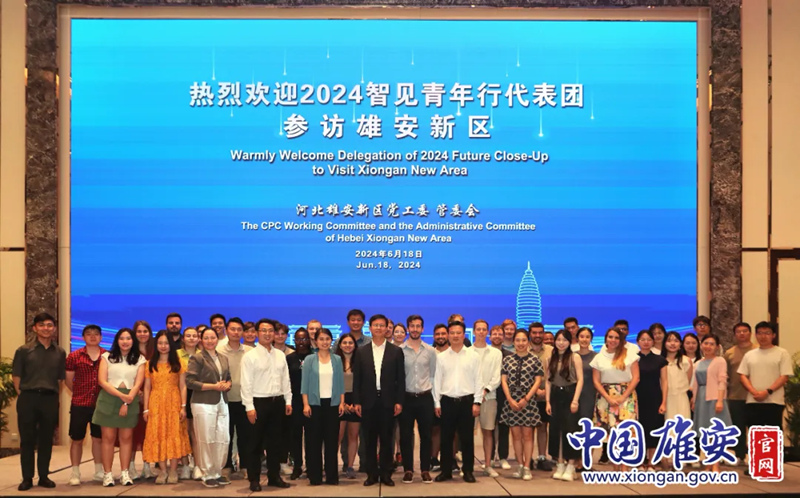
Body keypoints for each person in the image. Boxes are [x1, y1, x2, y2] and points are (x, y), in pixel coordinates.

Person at [12, 312, 66, 491]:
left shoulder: (60, 352)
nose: (46, 328)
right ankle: (27, 478)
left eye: (49, 325)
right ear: (35, 328)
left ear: (54, 328)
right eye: (41, 325)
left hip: (50, 399)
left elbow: (60, 379)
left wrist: (54, 396)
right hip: (28, 397)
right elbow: (16, 376)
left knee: (46, 439)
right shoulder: (23, 350)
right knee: (27, 439)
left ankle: (44, 476)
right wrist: (23, 395)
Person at [353, 314, 405, 486]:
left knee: (387, 440)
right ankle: (371, 474)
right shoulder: (361, 351)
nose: (379, 328)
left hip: (388, 401)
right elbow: (357, 379)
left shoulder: (395, 351)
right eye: (375, 325)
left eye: (382, 325)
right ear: (370, 328)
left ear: (387, 328)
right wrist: (357, 401)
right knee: (369, 440)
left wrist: (399, 401)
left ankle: (386, 473)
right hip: (368, 402)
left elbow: (400, 379)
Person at [241, 318, 292, 491]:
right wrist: (249, 407)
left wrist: (288, 400)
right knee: (254, 444)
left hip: (277, 402)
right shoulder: (250, 356)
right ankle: (254, 479)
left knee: (275, 443)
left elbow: (285, 379)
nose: (268, 334)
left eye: (271, 330)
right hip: (258, 403)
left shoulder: (280, 355)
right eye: (263, 330)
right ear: (257, 333)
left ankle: (274, 476)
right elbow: (246, 383)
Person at [94, 328, 146, 487]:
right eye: (122, 338)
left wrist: (127, 400)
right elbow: (102, 381)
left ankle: (125, 473)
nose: (125, 342)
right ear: (117, 340)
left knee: (126, 439)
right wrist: (122, 397)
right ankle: (107, 474)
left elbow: (138, 383)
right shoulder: (106, 357)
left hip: (130, 399)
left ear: (133, 341)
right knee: (108, 438)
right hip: (109, 398)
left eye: (128, 338)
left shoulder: (140, 359)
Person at [433, 321, 482, 483]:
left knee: (467, 439)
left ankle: (468, 471)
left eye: (458, 333)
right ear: (448, 335)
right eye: (452, 333)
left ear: (463, 334)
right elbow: (437, 381)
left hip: (467, 402)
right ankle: (446, 471)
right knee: (446, 439)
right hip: (447, 402)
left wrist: (477, 402)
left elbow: (479, 380)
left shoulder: (473, 356)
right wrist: (437, 403)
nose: (455, 336)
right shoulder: (441, 357)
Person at [143, 330, 191, 484]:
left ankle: (173, 471)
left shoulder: (179, 363)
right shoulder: (149, 364)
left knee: (173, 434)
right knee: (158, 435)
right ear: (156, 345)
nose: (163, 346)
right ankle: (163, 471)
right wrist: (146, 409)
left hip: (174, 402)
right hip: (156, 404)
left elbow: (183, 386)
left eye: (166, 343)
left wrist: (183, 407)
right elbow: (147, 388)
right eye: (160, 343)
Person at [187, 327, 232, 488]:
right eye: (206, 338)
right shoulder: (197, 358)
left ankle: (217, 472)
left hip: (222, 401)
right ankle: (207, 473)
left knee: (223, 438)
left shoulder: (223, 358)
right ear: (201, 340)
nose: (210, 341)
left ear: (217, 339)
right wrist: (213, 386)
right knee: (206, 439)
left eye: (212, 338)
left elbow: (228, 378)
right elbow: (190, 382)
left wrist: (227, 384)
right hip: (203, 403)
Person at [590, 327, 640, 471]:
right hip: (605, 398)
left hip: (626, 397)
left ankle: (624, 467)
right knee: (611, 432)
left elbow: (636, 378)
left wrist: (623, 396)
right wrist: (607, 397)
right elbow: (596, 381)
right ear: (606, 338)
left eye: (616, 338)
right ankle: (615, 467)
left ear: (621, 340)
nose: (613, 340)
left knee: (625, 432)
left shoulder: (630, 355)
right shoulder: (599, 357)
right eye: (610, 337)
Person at [301, 328, 345, 485]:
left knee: (331, 442)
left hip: (332, 404)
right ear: (315, 341)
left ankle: (332, 476)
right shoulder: (309, 360)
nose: (324, 342)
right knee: (314, 442)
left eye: (327, 339)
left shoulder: (337, 359)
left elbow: (340, 383)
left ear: (331, 341)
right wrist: (305, 404)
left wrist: (341, 402)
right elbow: (304, 384)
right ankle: (315, 477)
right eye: (321, 339)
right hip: (314, 405)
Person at [500, 330, 544, 481]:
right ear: (514, 342)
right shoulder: (507, 360)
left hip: (528, 400)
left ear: (528, 342)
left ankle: (527, 467)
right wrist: (509, 399)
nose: (520, 343)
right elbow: (504, 380)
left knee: (528, 435)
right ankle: (519, 465)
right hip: (511, 400)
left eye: (524, 340)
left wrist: (526, 398)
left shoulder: (535, 360)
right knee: (516, 436)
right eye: (517, 340)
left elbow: (538, 381)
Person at [399, 315, 437, 484]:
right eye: (412, 326)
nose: (415, 329)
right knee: (406, 436)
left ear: (422, 329)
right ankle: (408, 470)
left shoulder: (430, 351)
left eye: (418, 326)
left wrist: (436, 401)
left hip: (425, 398)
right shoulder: (399, 350)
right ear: (408, 328)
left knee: (426, 436)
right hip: (406, 398)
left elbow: (434, 376)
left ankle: (425, 470)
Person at [65, 324, 106, 486]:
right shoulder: (74, 356)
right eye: (89, 334)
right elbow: (69, 380)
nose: (93, 336)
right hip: (80, 403)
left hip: (101, 404)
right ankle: (75, 472)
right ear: (83, 337)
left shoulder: (107, 356)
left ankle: (99, 471)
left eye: (96, 334)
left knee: (98, 439)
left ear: (101, 337)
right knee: (77, 439)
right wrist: (79, 392)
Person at [739, 321, 793, 433]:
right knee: (755, 435)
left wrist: (767, 392)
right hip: (753, 401)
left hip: (774, 401)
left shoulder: (782, 353)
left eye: (767, 333)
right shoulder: (749, 355)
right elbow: (743, 375)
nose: (763, 336)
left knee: (772, 435)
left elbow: (784, 376)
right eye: (760, 333)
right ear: (755, 335)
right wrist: (753, 392)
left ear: (773, 335)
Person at [217, 318, 254, 481]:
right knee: (226, 435)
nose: (236, 332)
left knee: (246, 435)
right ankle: (226, 466)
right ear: (226, 330)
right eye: (233, 329)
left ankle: (245, 465)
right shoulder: (218, 350)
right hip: (224, 399)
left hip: (245, 399)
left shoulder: (250, 351)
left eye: (239, 329)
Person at [545, 330, 583, 481]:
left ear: (570, 342)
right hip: (555, 395)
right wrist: (547, 401)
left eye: (564, 340)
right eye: (559, 340)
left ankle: (571, 465)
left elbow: (580, 380)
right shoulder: (550, 358)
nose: (561, 343)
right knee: (556, 431)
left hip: (570, 394)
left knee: (571, 431)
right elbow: (548, 381)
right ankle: (560, 464)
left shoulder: (575, 357)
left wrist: (575, 400)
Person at [691, 334, 731, 473]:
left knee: (716, 432)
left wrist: (720, 400)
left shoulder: (720, 361)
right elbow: (695, 383)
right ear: (701, 345)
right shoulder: (698, 363)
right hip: (701, 399)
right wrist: (694, 400)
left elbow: (722, 381)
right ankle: (708, 462)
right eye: (705, 343)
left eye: (712, 344)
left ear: (717, 347)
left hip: (715, 398)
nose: (708, 346)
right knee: (705, 433)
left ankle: (716, 464)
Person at [469, 320, 502, 478]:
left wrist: (485, 391)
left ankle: (488, 465)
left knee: (488, 432)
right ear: (474, 331)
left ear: (487, 332)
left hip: (489, 397)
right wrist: (475, 394)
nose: (481, 332)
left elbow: (497, 376)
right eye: (478, 329)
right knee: (467, 433)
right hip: (469, 399)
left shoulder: (495, 353)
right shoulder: (467, 352)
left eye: (484, 329)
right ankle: (468, 466)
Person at [636, 329, 668, 471]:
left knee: (654, 430)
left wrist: (664, 402)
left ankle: (651, 463)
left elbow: (665, 382)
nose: (646, 342)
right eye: (643, 340)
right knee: (639, 430)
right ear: (638, 342)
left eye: (649, 340)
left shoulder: (660, 360)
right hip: (637, 398)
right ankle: (640, 461)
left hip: (655, 398)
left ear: (653, 342)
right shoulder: (633, 359)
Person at [724, 322, 754, 465]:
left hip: (755, 396)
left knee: (754, 427)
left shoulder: (757, 350)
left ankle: (755, 457)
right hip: (735, 395)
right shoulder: (729, 353)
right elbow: (726, 375)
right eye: (738, 331)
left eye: (745, 331)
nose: (742, 334)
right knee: (738, 428)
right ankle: (740, 455)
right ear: (735, 335)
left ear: (750, 333)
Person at [286, 329, 313, 480]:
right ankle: (297, 466)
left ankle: (311, 465)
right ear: (294, 340)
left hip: (312, 401)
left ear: (309, 340)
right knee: (295, 436)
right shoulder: (289, 358)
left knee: (311, 436)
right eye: (298, 339)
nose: (301, 342)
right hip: (295, 401)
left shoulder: (315, 357)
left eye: (304, 339)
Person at [528, 322, 554, 471]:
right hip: (528, 395)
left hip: (547, 396)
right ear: (530, 334)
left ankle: (542, 457)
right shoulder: (523, 349)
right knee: (528, 429)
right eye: (534, 332)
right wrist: (536, 390)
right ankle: (528, 458)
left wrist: (545, 391)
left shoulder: (551, 350)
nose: (537, 335)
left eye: (540, 332)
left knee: (543, 427)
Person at [130, 320, 154, 480]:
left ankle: (147, 466)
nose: (142, 334)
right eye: (139, 331)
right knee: (132, 434)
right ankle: (131, 466)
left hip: (152, 399)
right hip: (132, 398)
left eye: (145, 331)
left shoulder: (155, 351)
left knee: (148, 434)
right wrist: (136, 391)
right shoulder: (130, 351)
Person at [178, 326, 202, 479]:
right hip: (180, 395)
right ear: (183, 338)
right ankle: (185, 465)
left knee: (195, 432)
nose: (191, 338)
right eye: (188, 336)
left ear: (198, 339)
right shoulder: (176, 355)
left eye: (194, 336)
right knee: (182, 432)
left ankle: (198, 465)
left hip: (197, 395)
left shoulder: (203, 355)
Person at [336, 333, 360, 479]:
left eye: (350, 343)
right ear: (340, 345)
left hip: (355, 401)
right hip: (339, 400)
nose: (347, 345)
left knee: (353, 436)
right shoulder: (335, 361)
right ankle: (332, 465)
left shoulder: (360, 361)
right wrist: (342, 403)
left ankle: (350, 466)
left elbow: (362, 383)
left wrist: (355, 403)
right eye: (344, 343)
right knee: (337, 436)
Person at [489, 325, 513, 470]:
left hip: (505, 393)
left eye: (500, 334)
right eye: (494, 334)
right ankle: (490, 457)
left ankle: (503, 457)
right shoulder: (486, 353)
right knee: (489, 427)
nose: (497, 336)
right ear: (490, 336)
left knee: (504, 425)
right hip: (489, 393)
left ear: (503, 337)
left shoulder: (509, 355)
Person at [575, 327, 596, 471]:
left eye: (587, 337)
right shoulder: (572, 356)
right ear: (577, 338)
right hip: (574, 396)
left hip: (590, 395)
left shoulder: (596, 357)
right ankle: (576, 460)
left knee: (589, 429)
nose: (584, 339)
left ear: (591, 339)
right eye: (581, 336)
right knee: (575, 428)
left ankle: (586, 461)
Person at [430, 323, 449, 470]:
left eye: (443, 334)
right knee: (435, 429)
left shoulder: (455, 352)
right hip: (433, 396)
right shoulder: (430, 353)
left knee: (452, 431)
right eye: (437, 334)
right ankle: (434, 459)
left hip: (451, 395)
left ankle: (450, 459)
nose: (440, 337)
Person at [661, 331, 693, 422]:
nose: (672, 344)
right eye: (669, 341)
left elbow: (688, 380)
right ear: (664, 343)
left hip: (682, 398)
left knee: (683, 424)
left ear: (680, 344)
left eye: (676, 341)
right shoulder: (660, 361)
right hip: (666, 398)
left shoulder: (686, 361)